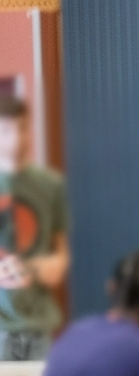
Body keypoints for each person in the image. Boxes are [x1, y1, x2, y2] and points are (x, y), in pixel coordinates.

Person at [0, 94, 70, 361]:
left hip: (40, 323)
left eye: (22, 128)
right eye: (6, 129)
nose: (16, 138)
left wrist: (47, 267)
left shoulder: (51, 185)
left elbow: (61, 252)